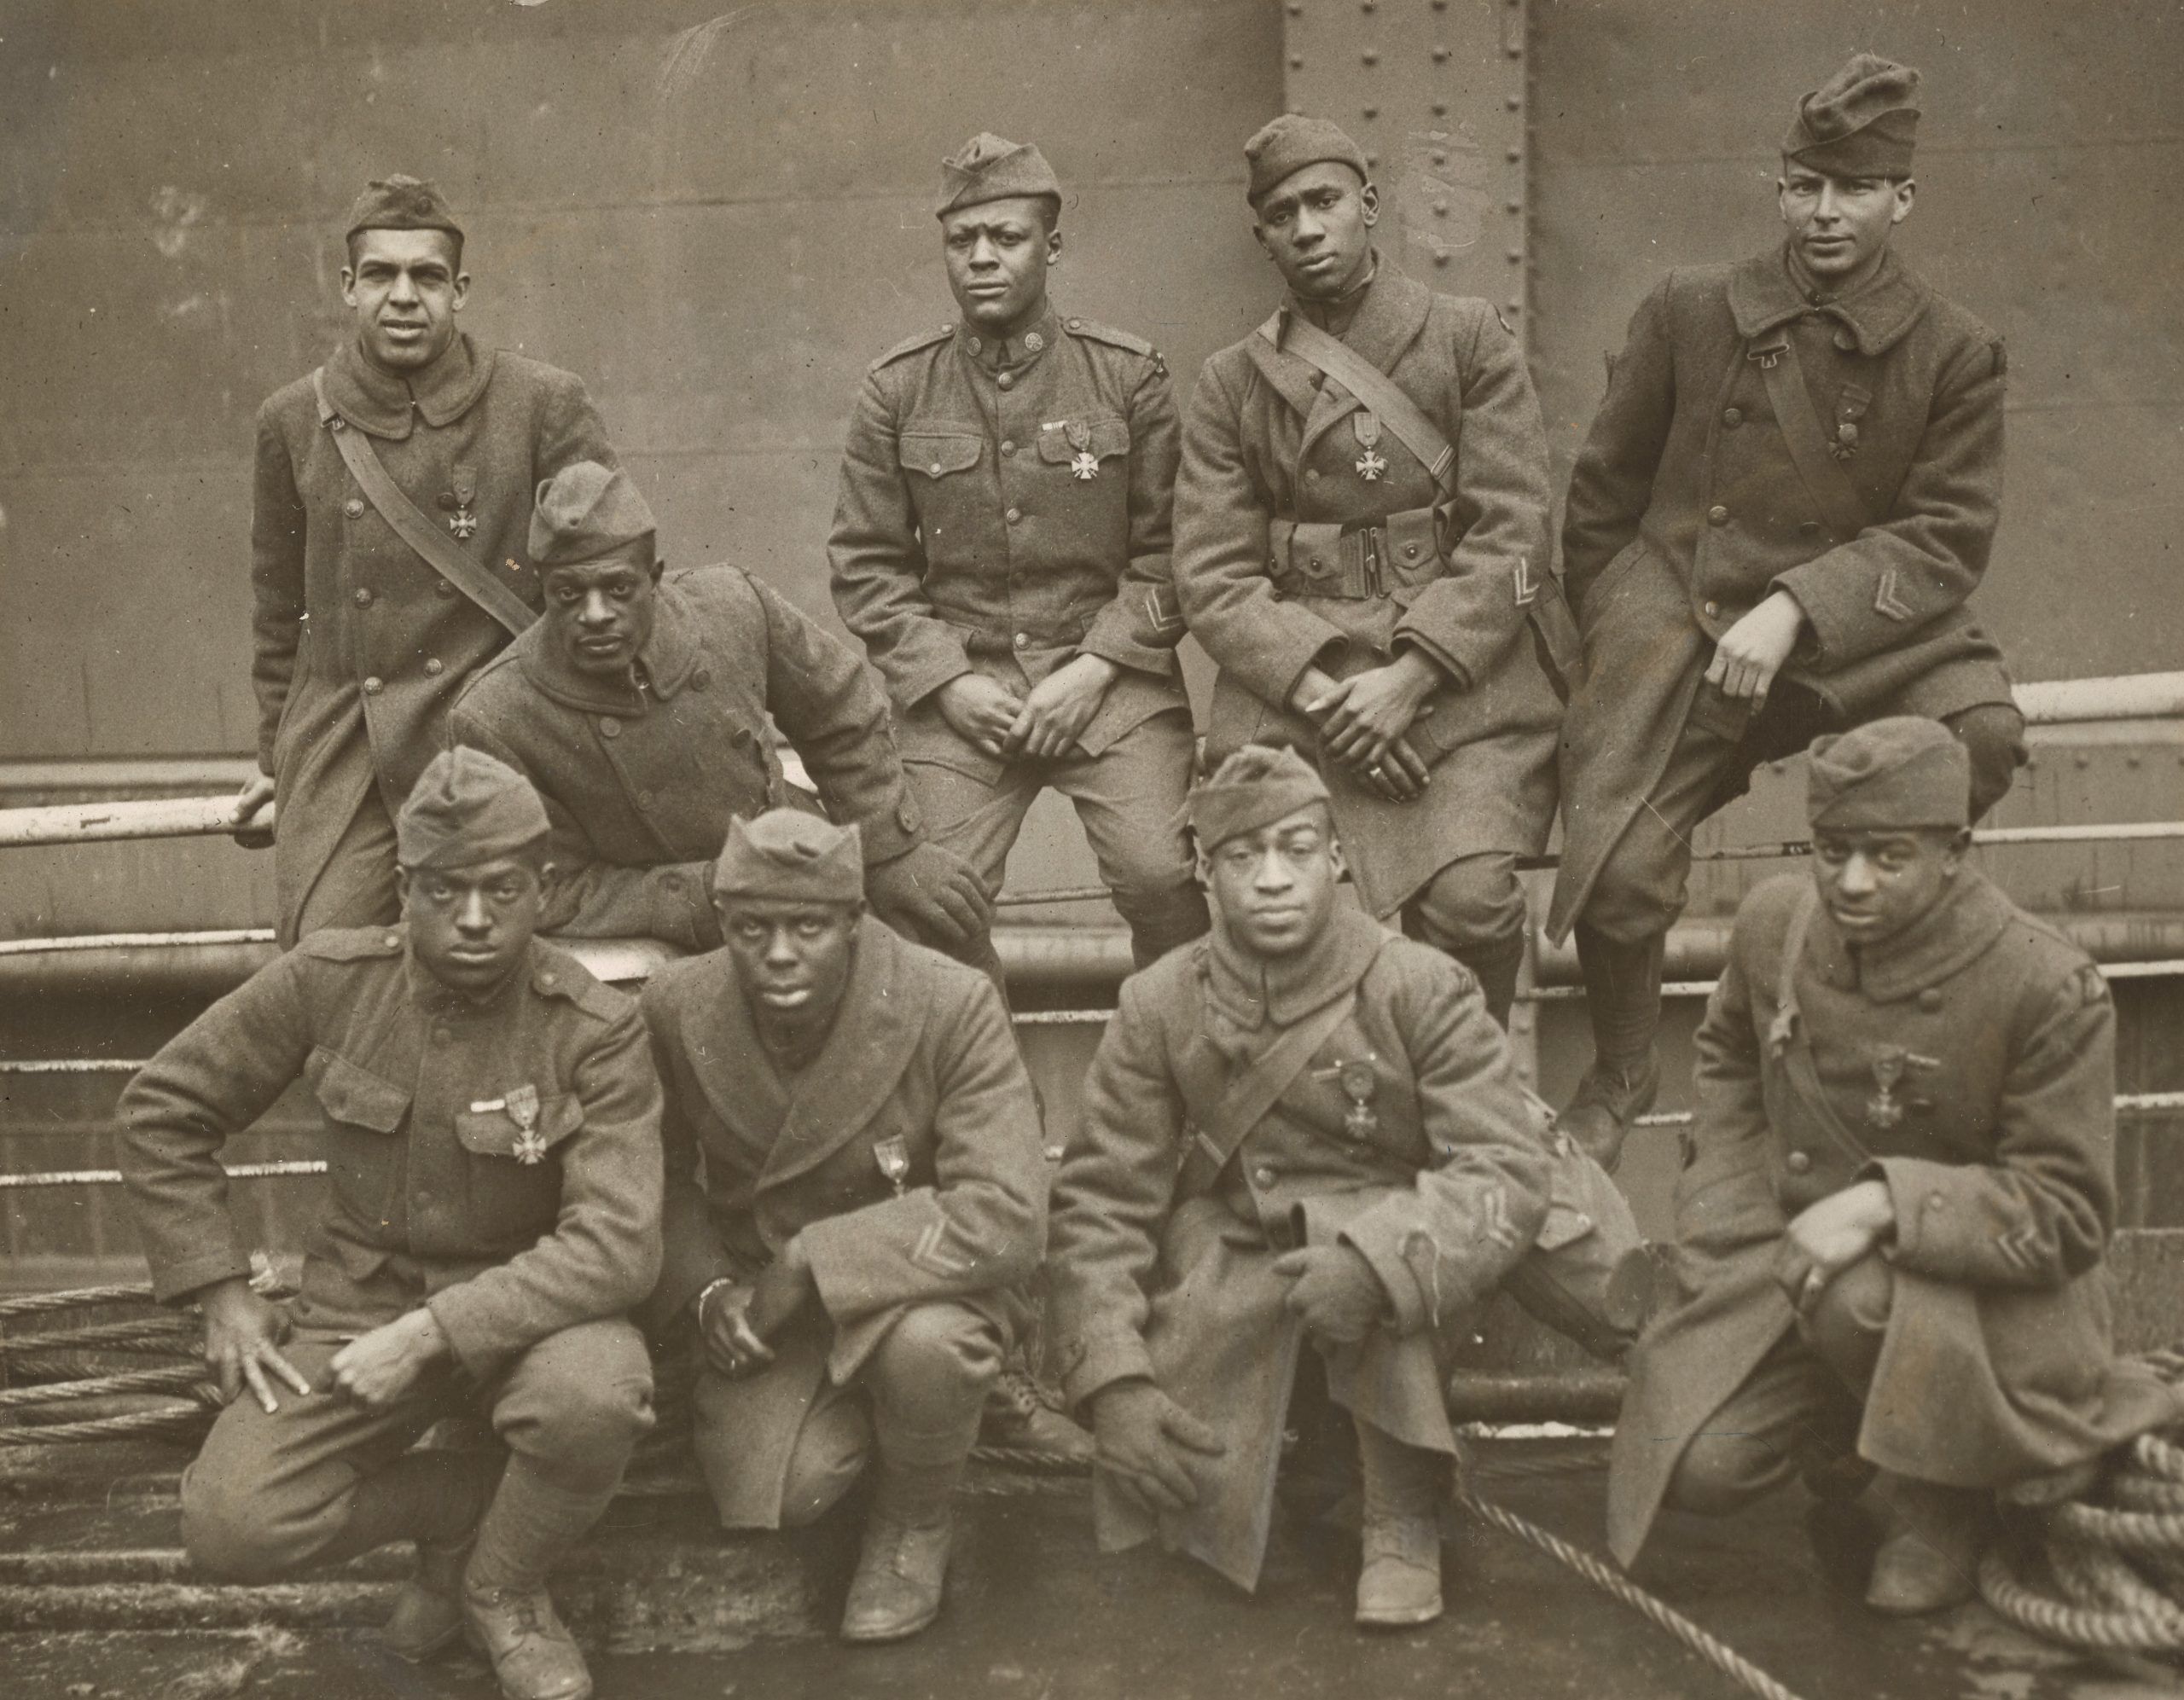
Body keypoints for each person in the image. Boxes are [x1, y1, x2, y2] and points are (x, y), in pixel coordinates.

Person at [1547, 54, 2027, 1166]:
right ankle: (1622, 1066)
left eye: (1852, 190)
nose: (1823, 213)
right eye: (1804, 185)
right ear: (1779, 188)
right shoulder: (1688, 310)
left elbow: (1945, 538)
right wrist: (1625, 634)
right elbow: (1601, 498)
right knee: (1618, 873)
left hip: (1867, 634)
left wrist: (1795, 611)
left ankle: (1861, 993)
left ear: (1900, 200)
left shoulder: (1954, 352)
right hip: (1688, 623)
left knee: (1981, 738)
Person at [1046, 746, 1642, 1627]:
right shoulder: (1159, 1001)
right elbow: (1102, 1200)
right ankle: (1325, 1463)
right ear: (1205, 873)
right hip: (1251, 1239)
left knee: (1371, 1243)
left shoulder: (1418, 981)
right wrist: (1112, 1381)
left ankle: (1400, 1513)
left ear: (1335, 857)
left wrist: (1374, 1267)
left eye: (1295, 849)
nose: (1273, 879)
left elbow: (1503, 1167)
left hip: (1421, 1226)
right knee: (1189, 1500)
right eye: (1243, 857)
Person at [119, 747, 663, 1700]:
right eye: (446, 891)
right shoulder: (330, 981)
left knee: (595, 1394)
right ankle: (461, 1517)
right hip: (353, 1312)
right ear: (405, 888)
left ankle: (505, 1587)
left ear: (543, 888)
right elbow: (162, 1108)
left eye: (503, 889)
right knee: (232, 1524)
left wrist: (434, 1332)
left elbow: (617, 1246)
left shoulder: (593, 1027)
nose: (477, 919)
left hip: (526, 1323)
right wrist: (222, 1293)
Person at [1607, 717, 2178, 1613]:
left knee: (1856, 1297)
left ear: (1955, 849)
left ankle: (1938, 1503)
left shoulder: (2042, 984)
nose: (1852, 881)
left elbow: (2065, 1214)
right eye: (1831, 851)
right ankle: (1858, 1441)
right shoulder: (1775, 927)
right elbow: (1726, 1055)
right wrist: (1724, 1206)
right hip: (1792, 1261)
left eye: (1888, 855)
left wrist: (1882, 1205)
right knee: (1700, 1468)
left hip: (1983, 1305)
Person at [1171, 115, 1568, 1029]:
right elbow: (1211, 573)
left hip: (1460, 682)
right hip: (1300, 690)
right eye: (1282, 213)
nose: (1307, 228)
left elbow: (1514, 532)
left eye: (1324, 201)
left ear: (1368, 207)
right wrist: (1334, 689)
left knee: (1471, 902)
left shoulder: (1465, 339)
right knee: (1280, 911)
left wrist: (1412, 676)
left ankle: (1471, 1083)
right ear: (1261, 234)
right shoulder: (1232, 381)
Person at [640, 809, 1048, 1642]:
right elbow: (654, 1177)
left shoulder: (946, 1000)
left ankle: (915, 1517)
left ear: (855, 921)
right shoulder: (677, 1003)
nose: (780, 953)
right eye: (752, 928)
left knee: (929, 1350)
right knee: (791, 1492)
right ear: (723, 923)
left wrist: (815, 1258)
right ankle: (910, 1425)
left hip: (919, 1285)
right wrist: (707, 1288)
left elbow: (1007, 1214)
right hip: (764, 1306)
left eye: (809, 926)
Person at [828, 131, 1208, 975]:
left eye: (1006, 237)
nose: (982, 259)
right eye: (962, 241)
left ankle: (1185, 1079)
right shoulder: (897, 388)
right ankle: (984, 1095)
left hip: (1109, 684)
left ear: (1051, 245)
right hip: (964, 687)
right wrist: (949, 681)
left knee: (1162, 875)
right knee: (926, 897)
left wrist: (1097, 667)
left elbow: (1173, 551)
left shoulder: (1127, 378)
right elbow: (867, 564)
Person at [240, 174, 620, 948]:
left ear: (461, 290)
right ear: (348, 287)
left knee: (499, 951)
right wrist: (276, 757)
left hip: (497, 738)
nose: (404, 295)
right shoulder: (292, 419)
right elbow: (280, 611)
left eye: (428, 276)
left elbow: (608, 581)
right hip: (350, 748)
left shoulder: (542, 403)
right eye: (381, 274)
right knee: (326, 960)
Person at [450, 460, 993, 962]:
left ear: (654, 579)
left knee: (947, 935)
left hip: (799, 857)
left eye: (617, 588)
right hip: (675, 928)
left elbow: (840, 712)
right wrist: (709, 889)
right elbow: (547, 888)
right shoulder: (496, 716)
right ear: (542, 589)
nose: (595, 614)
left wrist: (888, 850)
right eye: (568, 593)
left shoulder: (731, 606)